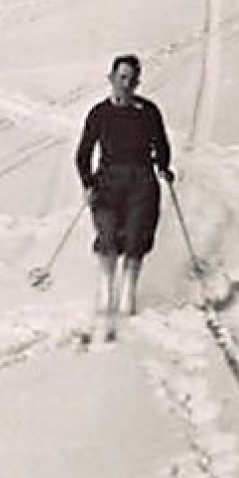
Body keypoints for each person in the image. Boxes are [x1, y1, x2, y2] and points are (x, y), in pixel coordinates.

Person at [75, 54, 174, 339]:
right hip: (108, 181)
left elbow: (162, 145)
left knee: (135, 237)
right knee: (107, 234)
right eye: (121, 78)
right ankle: (107, 292)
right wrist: (87, 182)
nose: (125, 84)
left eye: (131, 79)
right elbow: (83, 153)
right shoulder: (99, 113)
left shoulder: (149, 112)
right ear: (111, 78)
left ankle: (128, 293)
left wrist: (164, 167)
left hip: (141, 180)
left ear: (137, 82)